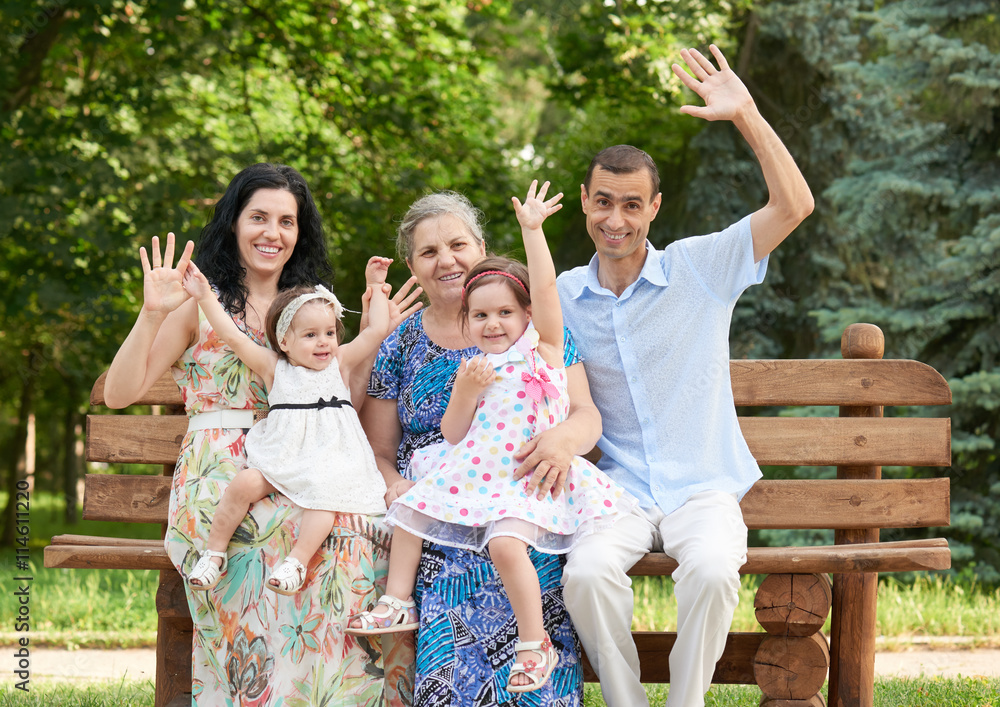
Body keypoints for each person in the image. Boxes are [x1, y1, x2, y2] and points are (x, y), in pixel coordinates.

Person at [103, 163, 420, 705]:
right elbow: (118, 393)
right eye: (259, 218)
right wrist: (151, 314)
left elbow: (344, 401)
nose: (272, 233)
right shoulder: (199, 303)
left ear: (300, 232)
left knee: (355, 539)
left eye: (287, 221)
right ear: (234, 223)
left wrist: (375, 329)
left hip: (305, 465)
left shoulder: (310, 308)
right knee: (276, 546)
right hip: (222, 479)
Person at [556, 46, 815, 707]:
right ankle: (626, 702)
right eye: (604, 202)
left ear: (654, 208)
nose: (617, 219)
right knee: (584, 572)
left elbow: (794, 205)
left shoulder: (700, 267)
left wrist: (747, 113)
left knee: (710, 569)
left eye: (632, 205)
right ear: (585, 202)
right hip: (617, 491)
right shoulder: (560, 295)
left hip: (702, 488)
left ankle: (685, 702)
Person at [348, 182, 633, 693]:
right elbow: (380, 451)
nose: (446, 260)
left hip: (525, 490)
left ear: (481, 250)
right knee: (440, 547)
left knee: (516, 547)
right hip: (445, 500)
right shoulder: (400, 340)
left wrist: (563, 440)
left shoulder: (535, 335)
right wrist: (393, 482)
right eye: (428, 252)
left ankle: (534, 656)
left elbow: (587, 417)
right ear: (412, 267)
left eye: (458, 245)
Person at [181, 255, 394, 595]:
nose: (323, 341)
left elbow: (377, 330)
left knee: (323, 500)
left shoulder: (338, 363)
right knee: (244, 484)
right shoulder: (273, 367)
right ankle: (214, 553)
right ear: (284, 342)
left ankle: (296, 562)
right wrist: (204, 295)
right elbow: (233, 338)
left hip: (327, 462)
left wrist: (374, 286)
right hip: (283, 454)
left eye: (329, 332)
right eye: (310, 335)